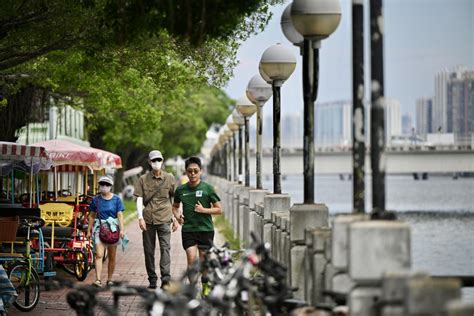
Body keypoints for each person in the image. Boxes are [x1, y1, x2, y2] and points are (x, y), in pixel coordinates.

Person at [172, 156, 222, 295]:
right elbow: (175, 207)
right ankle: (192, 291)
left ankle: (205, 289)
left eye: (195, 171)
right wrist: (178, 216)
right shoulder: (181, 190)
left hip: (205, 230)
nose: (193, 174)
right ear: (186, 172)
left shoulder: (208, 188)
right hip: (188, 231)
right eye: (190, 171)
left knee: (204, 263)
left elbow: (219, 209)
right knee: (191, 260)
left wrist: (204, 210)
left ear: (200, 171)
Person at [135, 150, 178, 289]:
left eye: (159, 160)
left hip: (165, 218)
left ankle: (165, 279)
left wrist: (176, 218)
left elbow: (175, 198)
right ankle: (152, 279)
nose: (156, 163)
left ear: (163, 161)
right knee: (149, 250)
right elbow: (139, 198)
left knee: (165, 249)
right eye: (154, 161)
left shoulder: (170, 178)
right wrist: (140, 218)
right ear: (149, 162)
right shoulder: (143, 179)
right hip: (148, 220)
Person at [87, 176, 125, 288]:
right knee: (99, 255)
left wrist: (122, 229)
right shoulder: (96, 200)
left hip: (113, 229)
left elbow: (120, 215)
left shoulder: (117, 199)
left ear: (111, 186)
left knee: (112, 257)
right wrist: (89, 230)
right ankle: (98, 279)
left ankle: (109, 279)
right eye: (102, 184)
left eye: (107, 185)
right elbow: (91, 216)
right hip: (100, 228)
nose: (104, 187)